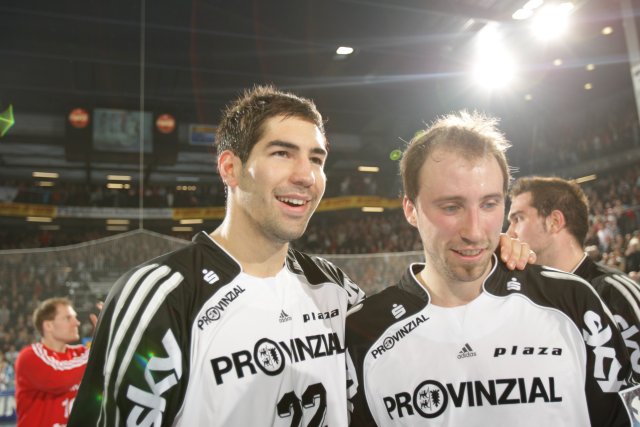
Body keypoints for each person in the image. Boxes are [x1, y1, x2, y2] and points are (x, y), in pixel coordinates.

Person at [68, 87, 533, 427]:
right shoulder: (164, 296)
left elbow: (418, 343)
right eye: (282, 153)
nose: (306, 175)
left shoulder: (334, 289)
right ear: (230, 168)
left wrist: (487, 261)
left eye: (316, 158)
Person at [346, 111, 638, 426]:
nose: (474, 231)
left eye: (489, 204)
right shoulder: (364, 331)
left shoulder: (572, 302)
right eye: (451, 207)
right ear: (410, 210)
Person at [507, 176, 640, 375]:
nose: (509, 232)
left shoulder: (615, 294)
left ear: (554, 222)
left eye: (518, 219)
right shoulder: (524, 302)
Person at [14, 297, 88, 427]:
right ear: (48, 325)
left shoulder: (81, 354)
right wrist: (96, 351)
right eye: (68, 318)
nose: (77, 323)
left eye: (75, 317)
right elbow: (60, 379)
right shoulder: (29, 356)